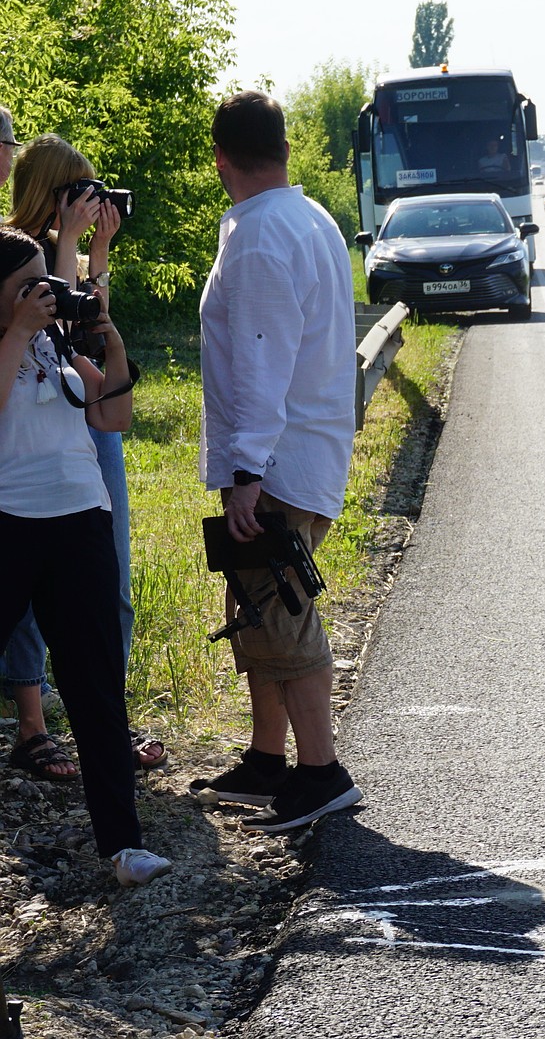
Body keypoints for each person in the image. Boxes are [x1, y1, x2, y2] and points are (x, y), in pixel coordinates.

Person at [190, 90, 361, 832]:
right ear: (286, 148)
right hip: (307, 447)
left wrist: (246, 473)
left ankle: (321, 772)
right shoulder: (309, 215)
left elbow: (262, 361)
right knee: (255, 609)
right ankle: (267, 760)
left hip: (280, 461)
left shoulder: (259, 236)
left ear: (220, 158)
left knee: (282, 614)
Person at [0, 226, 170, 885]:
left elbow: (112, 418)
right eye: (27, 286)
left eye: (47, 280)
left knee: (96, 687)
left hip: (80, 525)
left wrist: (111, 341)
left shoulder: (53, 343)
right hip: (10, 527)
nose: (45, 294)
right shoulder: (17, 339)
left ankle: (123, 846)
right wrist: (17, 329)